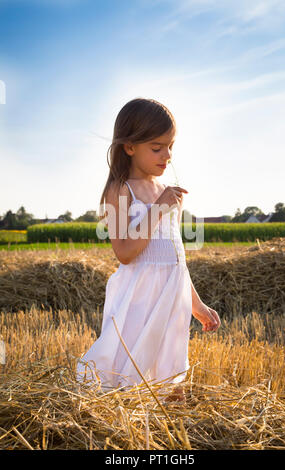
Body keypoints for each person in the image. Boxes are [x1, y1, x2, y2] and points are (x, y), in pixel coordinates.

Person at [76, 98, 221, 403]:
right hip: (138, 299)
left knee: (171, 375)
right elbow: (125, 252)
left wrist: (198, 306)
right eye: (157, 147)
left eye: (170, 146)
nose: (167, 155)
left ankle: (174, 441)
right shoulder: (120, 189)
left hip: (170, 297)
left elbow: (177, 259)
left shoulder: (167, 194)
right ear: (129, 147)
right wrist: (157, 209)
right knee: (129, 377)